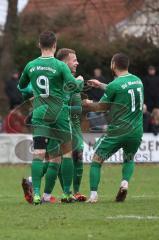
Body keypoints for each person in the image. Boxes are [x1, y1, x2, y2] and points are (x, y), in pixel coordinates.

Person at [18, 31, 83, 205]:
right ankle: (67, 194)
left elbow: (21, 86)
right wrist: (80, 81)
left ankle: (37, 194)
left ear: (39, 45)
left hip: (39, 113)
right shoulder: (60, 66)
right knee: (66, 154)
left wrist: (31, 95)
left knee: (39, 154)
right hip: (59, 113)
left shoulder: (30, 65)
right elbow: (73, 86)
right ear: (55, 45)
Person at [83, 53, 144, 203]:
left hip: (118, 130)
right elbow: (120, 90)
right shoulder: (138, 81)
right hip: (136, 130)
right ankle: (124, 183)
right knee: (129, 158)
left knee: (96, 160)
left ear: (113, 65)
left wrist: (86, 103)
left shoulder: (115, 85)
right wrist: (100, 85)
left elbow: (100, 108)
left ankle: (93, 195)